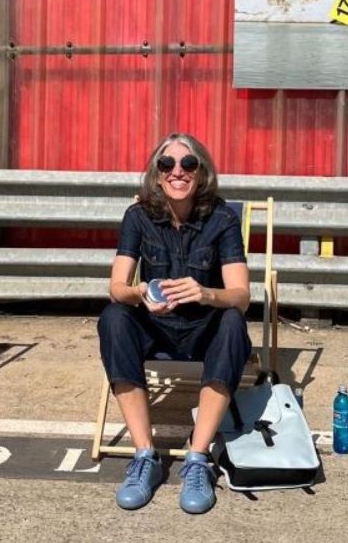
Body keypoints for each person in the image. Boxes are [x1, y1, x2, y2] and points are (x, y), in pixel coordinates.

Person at [97, 132, 251, 514]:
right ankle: (145, 456)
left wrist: (206, 293)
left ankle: (197, 459)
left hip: (204, 330)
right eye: (167, 164)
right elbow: (116, 288)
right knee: (113, 318)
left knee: (233, 322)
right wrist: (140, 294)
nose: (177, 172)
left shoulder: (222, 218)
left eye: (188, 163)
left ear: (201, 172)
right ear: (157, 171)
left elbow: (241, 296)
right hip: (157, 327)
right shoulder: (137, 216)